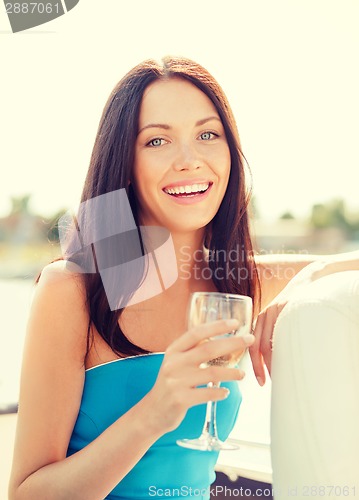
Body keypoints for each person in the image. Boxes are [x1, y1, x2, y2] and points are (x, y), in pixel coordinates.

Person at [8, 56, 359, 500]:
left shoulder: (237, 284)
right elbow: (26, 493)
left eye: (207, 134)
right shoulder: (73, 288)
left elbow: (346, 262)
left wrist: (312, 283)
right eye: (157, 141)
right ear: (125, 162)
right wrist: (155, 412)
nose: (189, 160)